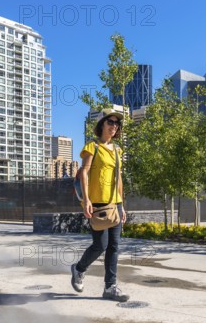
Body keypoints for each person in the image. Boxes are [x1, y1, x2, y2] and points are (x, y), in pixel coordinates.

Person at [70, 108, 129, 302]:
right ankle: (79, 269)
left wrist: (122, 205)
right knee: (100, 245)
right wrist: (86, 200)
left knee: (114, 246)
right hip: (97, 203)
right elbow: (84, 173)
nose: (114, 126)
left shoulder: (118, 150)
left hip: (115, 204)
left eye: (116, 123)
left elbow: (118, 177)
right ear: (102, 124)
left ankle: (110, 287)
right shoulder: (92, 147)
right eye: (110, 122)